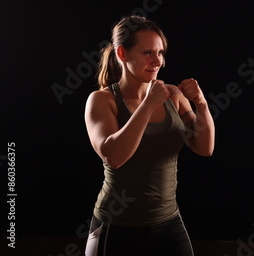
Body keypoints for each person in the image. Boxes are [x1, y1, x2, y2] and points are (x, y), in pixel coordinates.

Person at [84, 15, 215, 255]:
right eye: (148, 53)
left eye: (161, 53)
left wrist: (202, 104)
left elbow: (204, 148)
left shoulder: (173, 96)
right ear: (122, 54)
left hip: (168, 221)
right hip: (116, 226)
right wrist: (147, 105)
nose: (158, 62)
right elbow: (113, 156)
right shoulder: (102, 100)